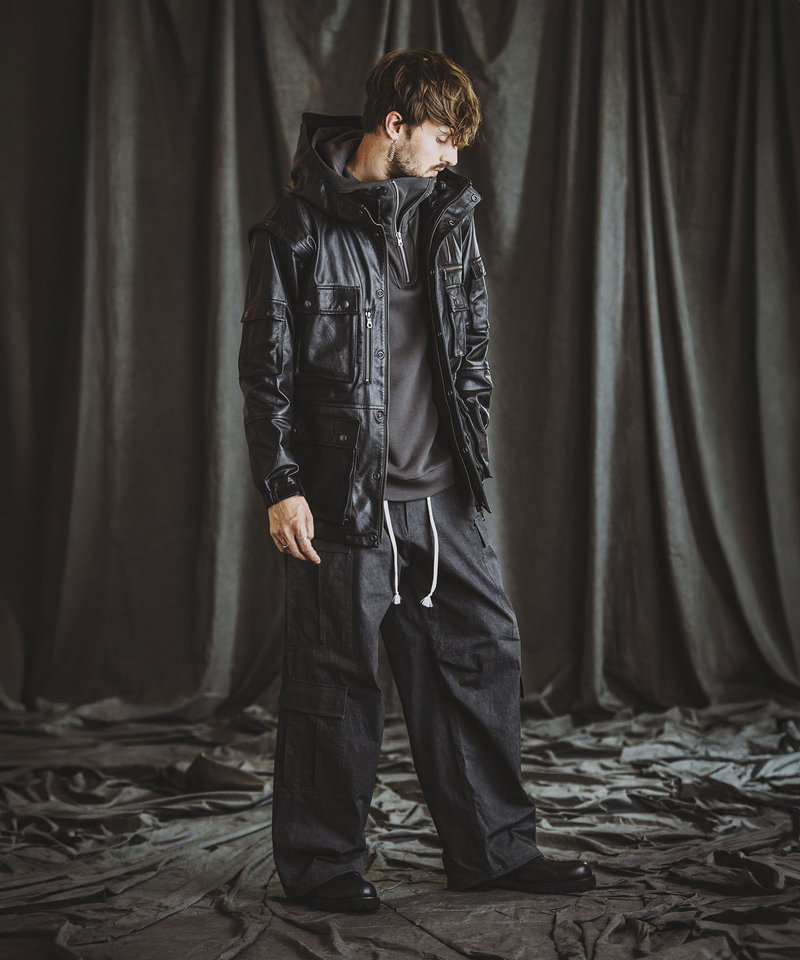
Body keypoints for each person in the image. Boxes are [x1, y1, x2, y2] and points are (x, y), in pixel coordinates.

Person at [238, 49, 595, 912]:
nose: (453, 157)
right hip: (342, 503)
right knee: (335, 685)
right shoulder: (294, 230)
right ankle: (323, 868)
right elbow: (266, 373)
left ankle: (493, 852)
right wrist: (281, 484)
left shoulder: (447, 215)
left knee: (479, 660)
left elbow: (470, 348)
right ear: (393, 126)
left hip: (441, 499)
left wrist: (465, 447)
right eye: (442, 138)